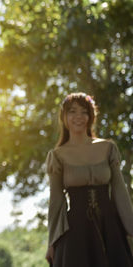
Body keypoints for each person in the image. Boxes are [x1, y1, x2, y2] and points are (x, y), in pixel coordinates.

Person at [45, 92, 133, 266]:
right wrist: (51, 242)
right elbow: (56, 200)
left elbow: (119, 191)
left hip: (110, 226)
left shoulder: (108, 147)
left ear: (91, 116)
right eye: (72, 111)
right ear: (64, 117)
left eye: (84, 112)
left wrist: (131, 229)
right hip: (76, 231)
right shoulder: (57, 155)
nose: (79, 117)